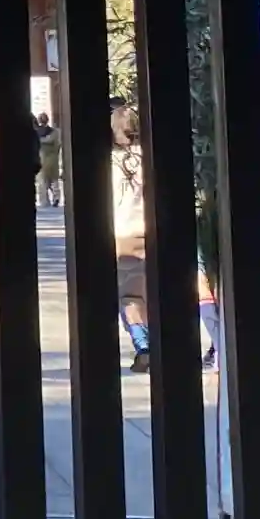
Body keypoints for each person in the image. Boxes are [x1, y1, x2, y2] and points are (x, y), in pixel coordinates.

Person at [111, 103, 149, 374]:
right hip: (150, 229)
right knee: (152, 292)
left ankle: (143, 345)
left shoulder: (110, 162)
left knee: (129, 297)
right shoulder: (150, 157)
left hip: (123, 232)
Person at [36, 113, 62, 208]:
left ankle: (44, 201)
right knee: (54, 180)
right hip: (53, 159)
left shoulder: (36, 134)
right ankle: (56, 197)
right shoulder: (54, 133)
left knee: (42, 182)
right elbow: (58, 145)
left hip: (41, 159)